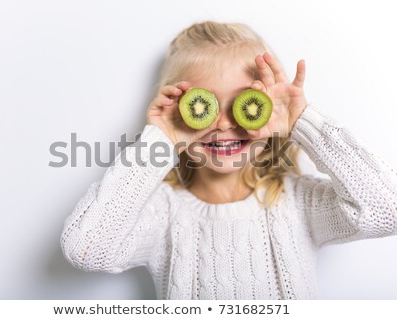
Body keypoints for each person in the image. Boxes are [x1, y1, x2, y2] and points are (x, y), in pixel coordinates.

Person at [60, 21, 397, 299]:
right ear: (178, 110)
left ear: (268, 109)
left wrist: (302, 122)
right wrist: (159, 141)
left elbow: (388, 209)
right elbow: (86, 249)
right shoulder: (162, 211)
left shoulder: (298, 202)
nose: (223, 124)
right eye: (203, 107)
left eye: (244, 104)